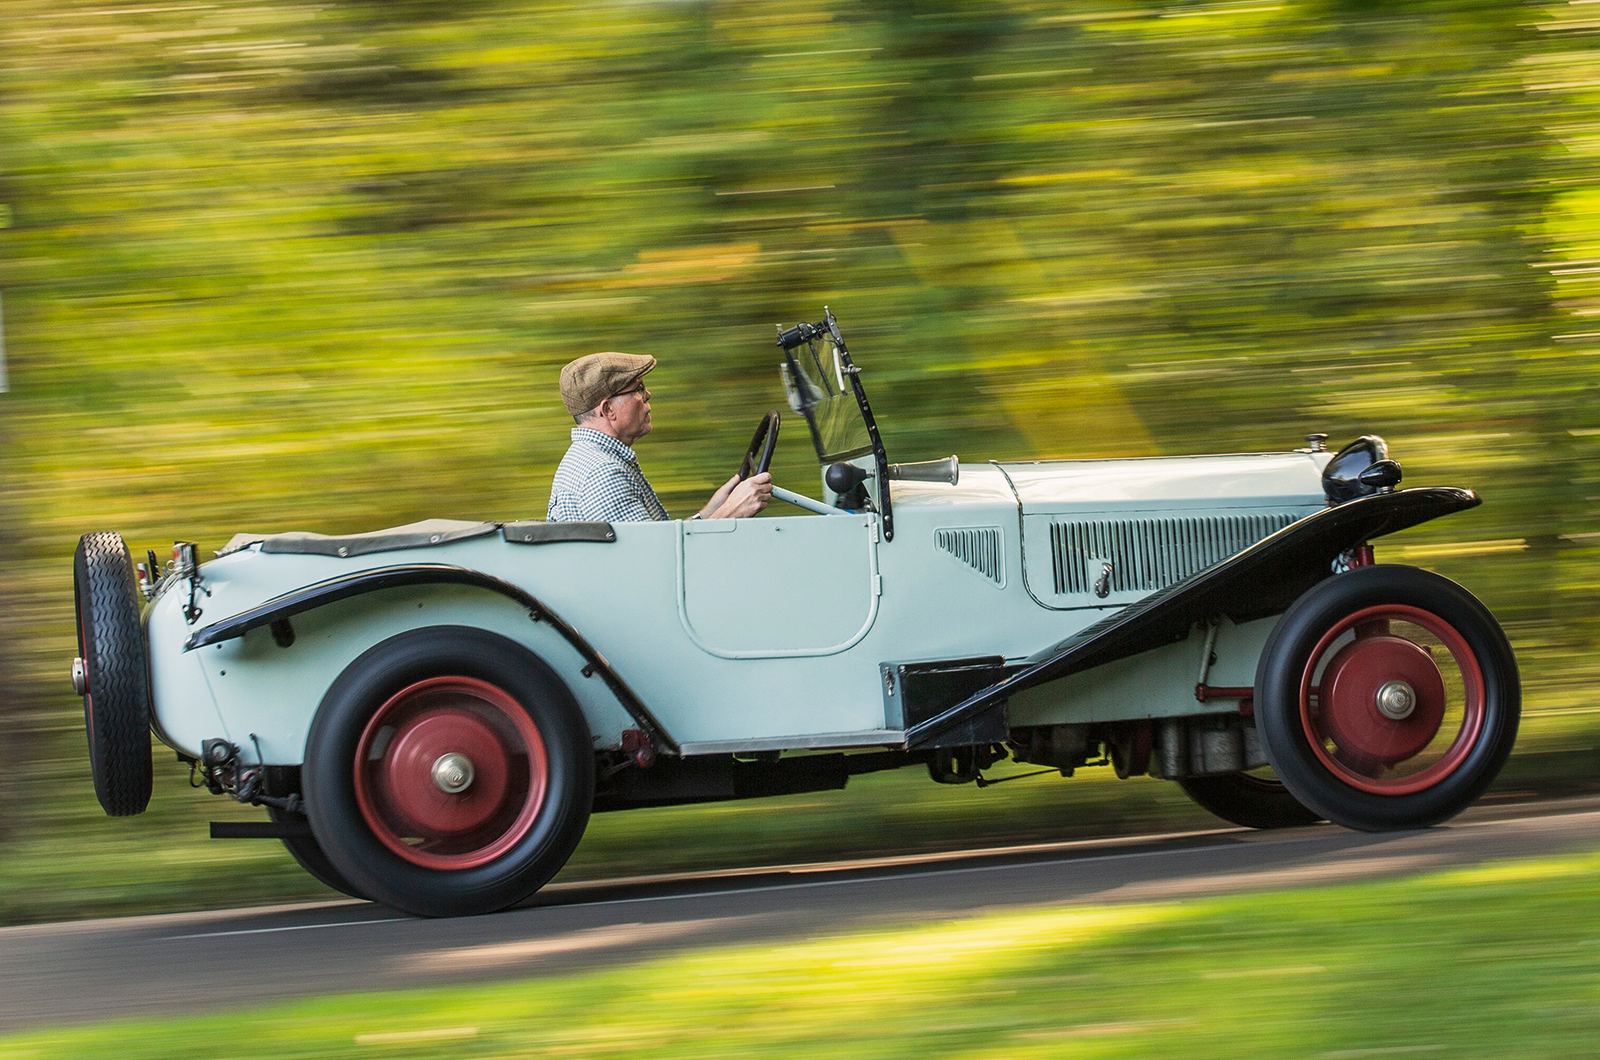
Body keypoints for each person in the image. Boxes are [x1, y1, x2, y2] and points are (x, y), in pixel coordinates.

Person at [547, 351, 772, 523]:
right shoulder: (602, 474)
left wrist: (712, 511)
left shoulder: (593, 459)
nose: (647, 394)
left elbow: (658, 543)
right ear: (608, 411)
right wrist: (732, 511)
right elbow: (653, 568)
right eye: (638, 388)